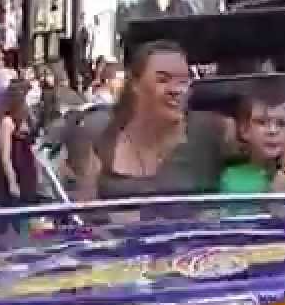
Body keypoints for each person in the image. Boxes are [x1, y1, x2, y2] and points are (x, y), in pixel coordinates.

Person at [78, 40, 238, 200]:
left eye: (184, 81)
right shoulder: (102, 134)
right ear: (135, 84)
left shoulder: (213, 129)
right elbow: (82, 210)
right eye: (163, 80)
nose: (177, 90)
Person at [0, 79, 39, 207]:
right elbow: (5, 157)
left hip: (26, 171)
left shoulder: (26, 119)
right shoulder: (7, 122)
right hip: (14, 173)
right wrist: (12, 182)